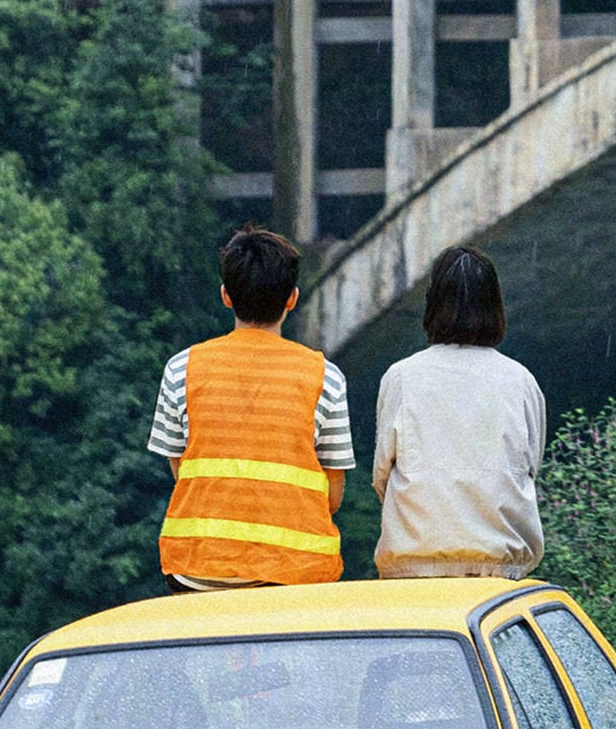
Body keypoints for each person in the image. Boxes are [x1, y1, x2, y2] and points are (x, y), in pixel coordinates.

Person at [150, 224, 354, 587]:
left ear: (226, 296)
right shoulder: (327, 377)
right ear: (292, 298)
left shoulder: (181, 369)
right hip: (297, 573)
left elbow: (182, 472)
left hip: (196, 570)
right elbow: (332, 496)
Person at [371, 247, 545, 580]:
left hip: (411, 568)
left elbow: (383, 476)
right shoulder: (521, 382)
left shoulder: (401, 377)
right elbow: (528, 470)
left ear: (433, 304)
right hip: (499, 571)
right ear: (495, 306)